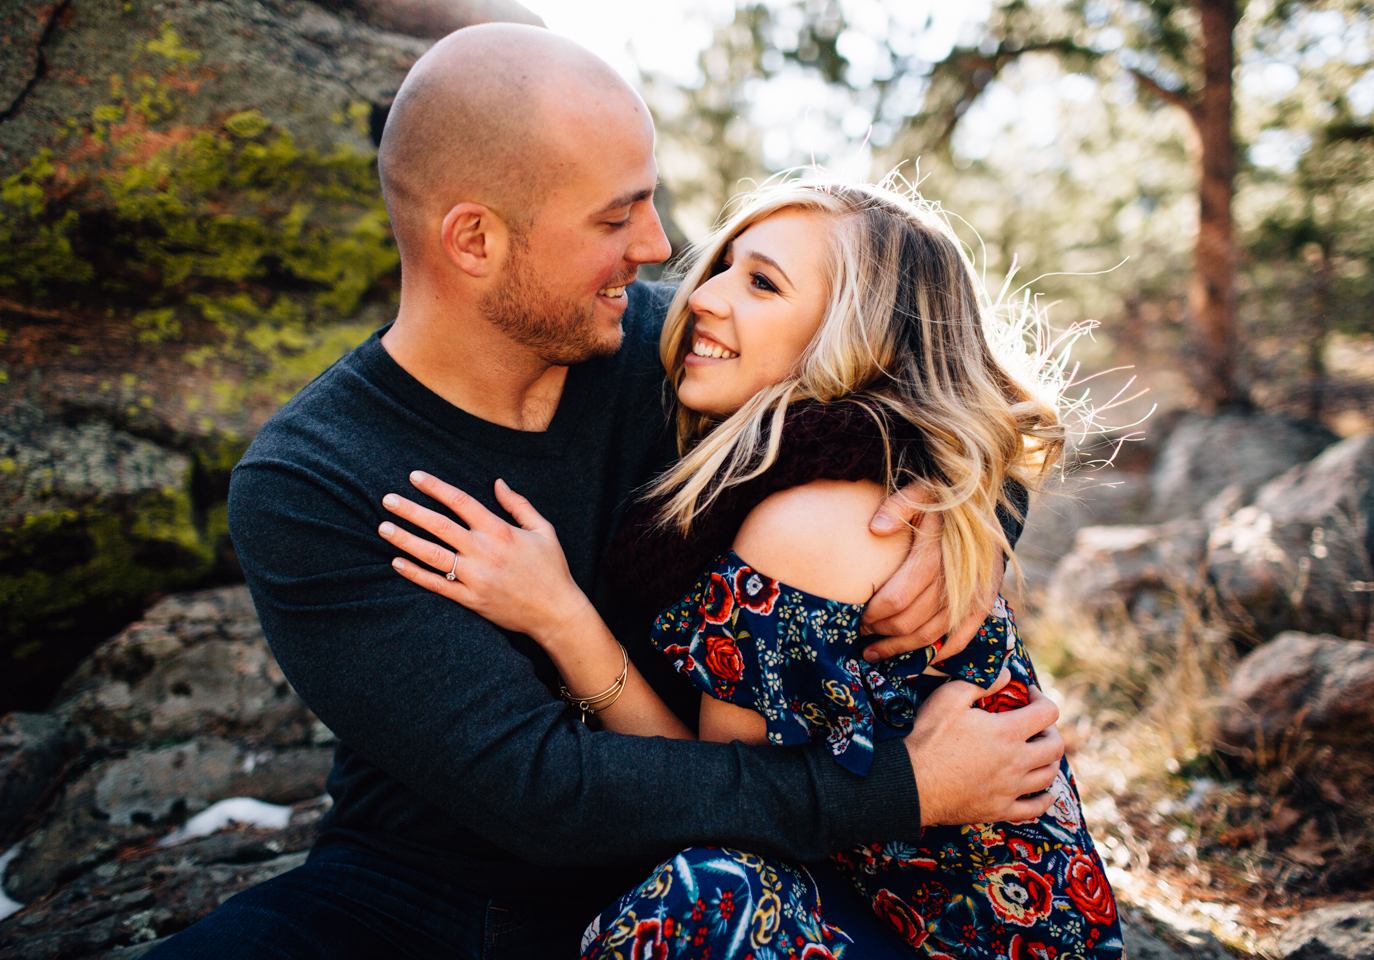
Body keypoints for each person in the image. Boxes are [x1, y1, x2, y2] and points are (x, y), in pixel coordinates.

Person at [149, 24, 1066, 960]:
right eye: (615, 217)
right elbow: (546, 791)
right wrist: (904, 789)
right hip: (420, 896)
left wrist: (955, 516)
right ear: (474, 239)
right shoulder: (313, 477)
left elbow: (937, 394)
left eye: (652, 202)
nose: (662, 248)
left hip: (737, 879)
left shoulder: (684, 353)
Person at [381, 181, 1124, 959]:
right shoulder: (846, 467)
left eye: (762, 283)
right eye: (725, 264)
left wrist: (558, 615)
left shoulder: (803, 522)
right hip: (891, 904)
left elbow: (718, 796)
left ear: (854, 336)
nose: (702, 295)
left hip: (976, 939)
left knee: (696, 901)